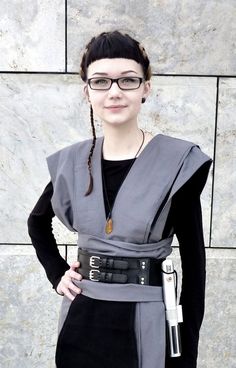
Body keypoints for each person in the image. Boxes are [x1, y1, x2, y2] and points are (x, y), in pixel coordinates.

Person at [27, 30, 212, 368]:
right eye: (101, 81)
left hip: (149, 319)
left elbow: (196, 265)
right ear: (87, 91)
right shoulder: (72, 162)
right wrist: (57, 273)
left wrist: (186, 348)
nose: (114, 92)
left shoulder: (177, 162)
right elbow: (37, 223)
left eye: (128, 80)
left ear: (146, 87)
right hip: (82, 319)